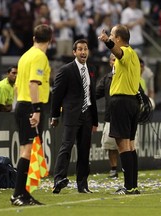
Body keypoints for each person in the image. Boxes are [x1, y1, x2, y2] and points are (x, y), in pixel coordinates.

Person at [10, 24, 53, 206]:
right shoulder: (39, 56)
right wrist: (36, 110)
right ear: (50, 40)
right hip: (31, 105)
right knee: (28, 151)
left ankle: (25, 193)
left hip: (22, 103)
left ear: (33, 38)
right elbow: (33, 83)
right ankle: (18, 194)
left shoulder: (25, 56)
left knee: (28, 150)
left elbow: (18, 85)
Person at [50, 39, 98, 194]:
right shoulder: (66, 70)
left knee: (84, 151)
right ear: (74, 52)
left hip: (88, 115)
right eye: (80, 49)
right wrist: (55, 115)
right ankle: (58, 179)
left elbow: (92, 95)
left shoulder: (91, 69)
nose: (83, 52)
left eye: (85, 49)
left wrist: (95, 120)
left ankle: (82, 185)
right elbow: (57, 94)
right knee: (66, 146)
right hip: (71, 115)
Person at [98, 24, 141, 195]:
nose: (111, 36)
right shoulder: (134, 56)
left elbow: (118, 53)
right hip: (131, 102)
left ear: (118, 38)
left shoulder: (127, 52)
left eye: (113, 35)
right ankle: (133, 186)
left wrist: (106, 41)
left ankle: (129, 186)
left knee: (122, 145)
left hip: (122, 102)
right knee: (130, 145)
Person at [96, 53, 119, 178]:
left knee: (128, 145)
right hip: (110, 117)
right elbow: (95, 94)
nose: (115, 62)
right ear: (110, 62)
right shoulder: (106, 79)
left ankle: (128, 169)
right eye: (113, 60)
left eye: (117, 59)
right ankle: (113, 169)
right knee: (111, 145)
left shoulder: (128, 76)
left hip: (125, 117)